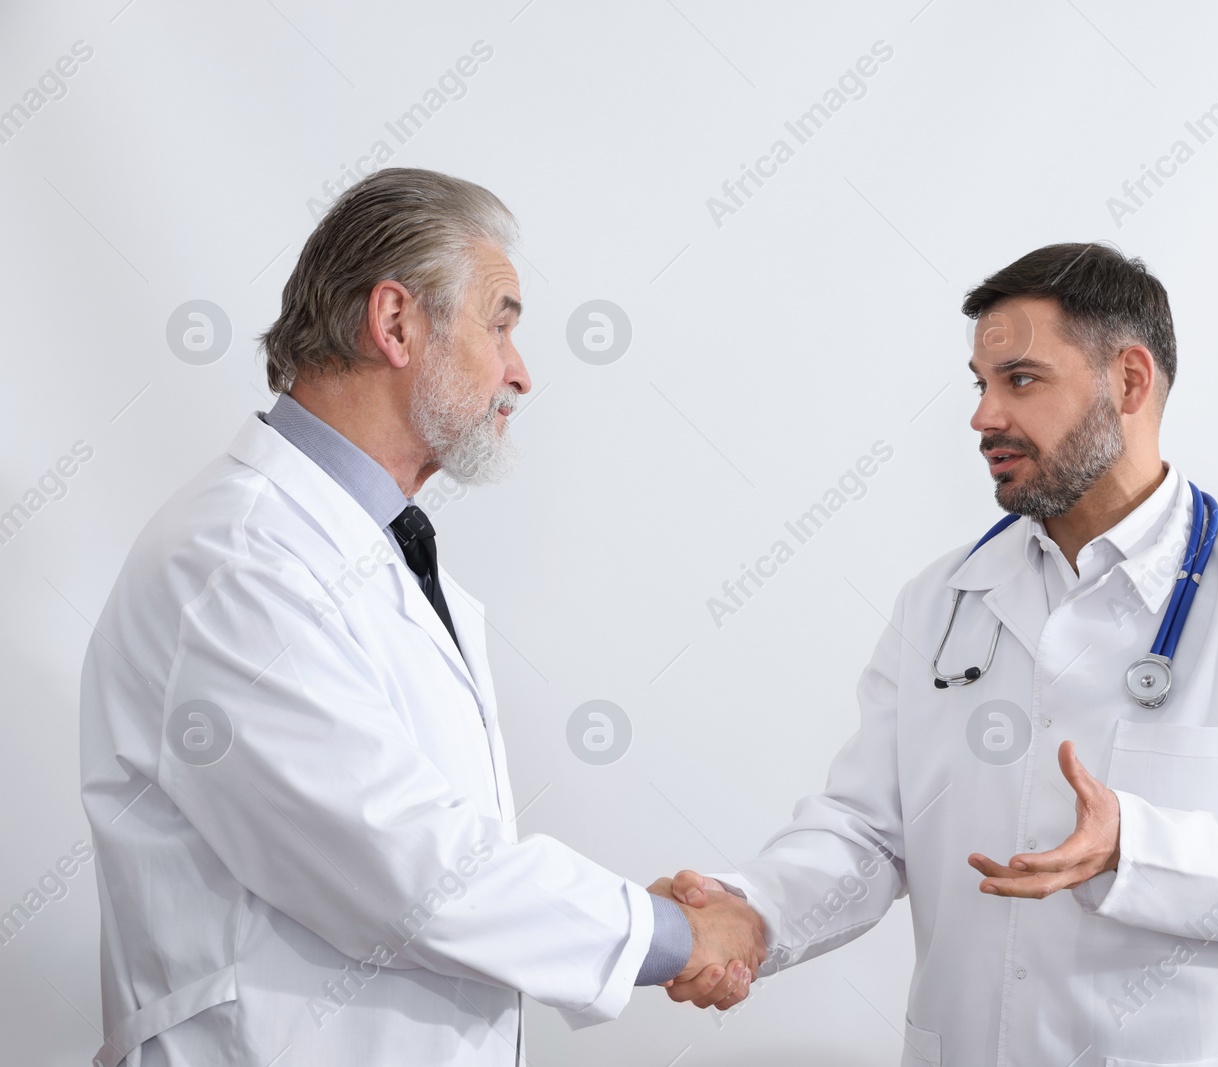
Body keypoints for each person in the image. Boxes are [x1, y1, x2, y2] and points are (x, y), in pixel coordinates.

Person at [657, 243, 1218, 1064]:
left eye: (1020, 380)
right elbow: (869, 833)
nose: (983, 417)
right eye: (980, 385)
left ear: (1128, 380)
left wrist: (1137, 846)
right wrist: (751, 911)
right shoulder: (943, 600)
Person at [79, 168, 761, 1067]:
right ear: (396, 322)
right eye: (502, 321)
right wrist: (671, 932)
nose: (521, 372)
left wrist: (630, 920)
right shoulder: (237, 559)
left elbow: (433, 863)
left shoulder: (359, 547)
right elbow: (411, 869)